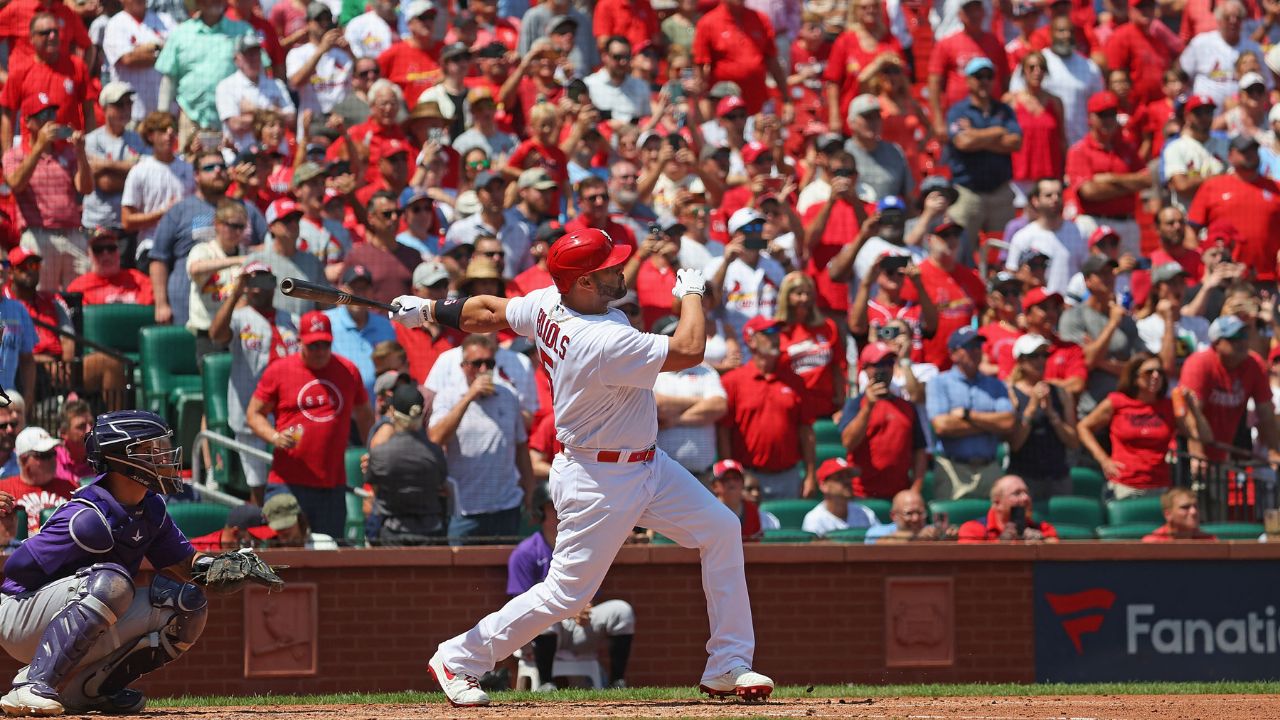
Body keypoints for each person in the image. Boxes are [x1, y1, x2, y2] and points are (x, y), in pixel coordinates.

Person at [389, 227, 774, 705]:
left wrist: (429, 310)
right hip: (599, 478)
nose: (621, 270)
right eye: (610, 268)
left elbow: (489, 310)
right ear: (584, 283)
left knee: (720, 528)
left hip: (646, 464)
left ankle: (727, 663)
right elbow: (691, 348)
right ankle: (459, 657)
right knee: (565, 596)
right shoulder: (598, 338)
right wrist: (693, 293)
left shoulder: (553, 302)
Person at [0, 410, 282, 716]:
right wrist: (76, 583)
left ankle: (91, 690)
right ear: (126, 457)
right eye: (154, 450)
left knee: (187, 605)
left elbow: (188, 566)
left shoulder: (151, 508)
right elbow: (16, 570)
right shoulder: (86, 518)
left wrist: (222, 569)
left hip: (82, 605)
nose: (164, 457)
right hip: (18, 615)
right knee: (112, 582)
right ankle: (33, 684)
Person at [245, 311, 373, 538]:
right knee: (282, 551)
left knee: (329, 553)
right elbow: (254, 413)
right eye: (313, 345)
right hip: (287, 481)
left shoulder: (348, 370)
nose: (320, 351)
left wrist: (372, 449)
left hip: (331, 484)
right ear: (300, 341)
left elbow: (364, 413)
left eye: (325, 344)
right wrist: (274, 436)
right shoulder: (279, 370)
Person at [509, 484, 635, 691]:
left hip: (577, 628)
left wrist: (584, 607)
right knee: (543, 618)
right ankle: (546, 683)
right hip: (536, 634)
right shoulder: (525, 553)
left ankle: (617, 683)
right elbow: (519, 607)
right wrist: (566, 613)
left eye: (567, 504)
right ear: (541, 511)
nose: (562, 510)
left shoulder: (582, 549)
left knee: (621, 611)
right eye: (554, 506)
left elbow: (589, 591)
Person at [427, 333, 533, 545]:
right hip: (465, 510)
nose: (484, 370)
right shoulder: (448, 397)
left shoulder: (509, 395)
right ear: (464, 366)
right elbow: (436, 437)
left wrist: (528, 492)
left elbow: (521, 447)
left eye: (489, 363)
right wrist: (468, 397)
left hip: (506, 507)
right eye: (477, 363)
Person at [209, 261, 299, 505]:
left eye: (263, 280)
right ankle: (263, 531)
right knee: (258, 485)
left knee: (292, 480)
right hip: (252, 411)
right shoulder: (239, 318)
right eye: (252, 281)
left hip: (288, 412)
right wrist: (235, 293)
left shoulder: (291, 320)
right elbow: (216, 335)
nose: (258, 287)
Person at [149, 150, 267, 328]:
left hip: (237, 308)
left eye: (222, 166)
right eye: (209, 167)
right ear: (196, 175)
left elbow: (269, 246)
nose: (218, 171)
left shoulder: (246, 208)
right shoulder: (180, 210)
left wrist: (249, 255)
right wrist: (161, 303)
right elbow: (159, 258)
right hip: (190, 307)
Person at [1078, 353, 1211, 499]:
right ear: (1135, 378)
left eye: (1160, 372)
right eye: (1149, 372)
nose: (1155, 376)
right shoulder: (1117, 402)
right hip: (1124, 486)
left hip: (1159, 486)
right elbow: (1083, 427)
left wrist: (1194, 408)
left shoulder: (1169, 406)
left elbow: (1204, 437)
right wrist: (1104, 460)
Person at [2, 93, 93, 293]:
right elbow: (16, 184)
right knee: (41, 296)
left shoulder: (67, 153)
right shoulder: (14, 155)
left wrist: (81, 154)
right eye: (42, 115)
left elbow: (86, 188)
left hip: (73, 235)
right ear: (27, 121)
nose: (49, 120)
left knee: (80, 298)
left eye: (52, 113)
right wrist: (39, 147)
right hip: (39, 235)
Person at [718, 316, 817, 500]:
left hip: (789, 476)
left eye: (777, 333)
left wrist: (810, 475)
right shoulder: (733, 381)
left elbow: (806, 431)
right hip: (748, 477)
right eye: (768, 333)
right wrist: (732, 476)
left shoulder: (796, 382)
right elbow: (724, 432)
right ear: (751, 340)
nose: (775, 337)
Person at [926, 326, 1015, 500]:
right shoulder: (938, 383)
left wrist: (968, 415)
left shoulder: (996, 385)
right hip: (953, 469)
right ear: (953, 354)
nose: (975, 351)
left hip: (989, 468)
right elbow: (942, 426)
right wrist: (989, 425)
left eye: (977, 347)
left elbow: (1008, 423)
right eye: (968, 347)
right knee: (952, 525)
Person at [1180, 315, 1280, 466]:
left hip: (1222, 449)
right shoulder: (1200, 364)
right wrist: (1197, 454)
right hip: (1185, 450)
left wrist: (1274, 451)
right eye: (1234, 337)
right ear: (1217, 343)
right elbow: (1190, 414)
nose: (1242, 342)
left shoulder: (1254, 365)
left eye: (1245, 335)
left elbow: (1265, 412)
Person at [942, 57, 1021, 244]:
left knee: (1002, 251)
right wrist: (997, 132)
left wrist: (976, 135)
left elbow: (1015, 143)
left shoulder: (1004, 110)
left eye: (989, 76)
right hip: (968, 193)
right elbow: (963, 143)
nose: (984, 81)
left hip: (1000, 192)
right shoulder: (958, 111)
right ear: (968, 80)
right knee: (960, 249)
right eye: (978, 76)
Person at [154, 0, 252, 145]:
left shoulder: (243, 31)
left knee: (235, 167)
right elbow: (169, 81)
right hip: (190, 120)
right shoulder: (180, 33)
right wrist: (163, 121)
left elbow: (257, 74)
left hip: (234, 122)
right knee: (188, 166)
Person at [1187, 135, 1280, 286]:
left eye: (1254, 150)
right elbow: (1191, 230)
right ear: (1230, 155)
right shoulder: (1213, 186)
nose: (1250, 155)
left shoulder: (1276, 188)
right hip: (1223, 277)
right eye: (1244, 151)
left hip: (1267, 278)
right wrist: (1202, 259)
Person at [840, 341, 928, 499]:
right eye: (878, 364)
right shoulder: (855, 404)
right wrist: (868, 407)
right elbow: (848, 443)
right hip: (862, 494)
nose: (885, 369)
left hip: (899, 495)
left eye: (889, 363)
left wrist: (915, 488)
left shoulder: (906, 406)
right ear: (865, 368)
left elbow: (919, 451)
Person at [1058, 254, 1142, 415]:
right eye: (1101, 273)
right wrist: (1112, 325)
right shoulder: (1073, 317)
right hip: (1088, 410)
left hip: (1124, 409)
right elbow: (1085, 363)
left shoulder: (1126, 320)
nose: (1108, 278)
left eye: (1110, 272)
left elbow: (1137, 369)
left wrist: (1101, 361)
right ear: (1087, 281)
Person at [368, 384, 448, 545]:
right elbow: (441, 484)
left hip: (392, 535)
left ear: (393, 412)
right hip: (430, 534)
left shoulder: (380, 454)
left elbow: (375, 488)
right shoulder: (435, 453)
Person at [651, 316, 727, 479]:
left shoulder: (705, 370)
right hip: (661, 477)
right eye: (673, 335)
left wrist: (676, 420)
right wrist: (701, 402)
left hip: (703, 475)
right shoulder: (650, 371)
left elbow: (718, 406)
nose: (680, 341)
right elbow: (658, 406)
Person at [1006, 335, 1079, 499]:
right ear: (1020, 361)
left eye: (1044, 355)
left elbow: (1073, 441)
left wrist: (1053, 416)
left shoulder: (1061, 393)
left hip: (1058, 477)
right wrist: (1032, 407)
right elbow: (1015, 444)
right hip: (1026, 479)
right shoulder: (1010, 393)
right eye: (1033, 356)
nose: (1040, 361)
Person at [120, 112, 194, 267]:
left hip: (186, 246)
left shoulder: (189, 170)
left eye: (172, 129)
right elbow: (127, 221)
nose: (169, 134)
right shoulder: (139, 171)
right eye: (162, 130)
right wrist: (163, 214)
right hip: (150, 246)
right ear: (150, 136)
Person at [185, 201, 250, 361]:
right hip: (207, 333)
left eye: (241, 227)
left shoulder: (246, 253)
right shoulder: (203, 250)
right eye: (233, 226)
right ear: (218, 224)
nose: (237, 232)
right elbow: (195, 269)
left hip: (238, 332)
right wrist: (236, 260)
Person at [774, 272, 844, 418]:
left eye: (808, 294)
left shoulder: (828, 327)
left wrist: (841, 402)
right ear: (787, 296)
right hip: (793, 408)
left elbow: (838, 366)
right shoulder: (777, 331)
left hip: (825, 407)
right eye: (799, 293)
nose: (804, 298)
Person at [326, 265, 397, 402]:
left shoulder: (386, 326)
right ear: (342, 290)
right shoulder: (328, 322)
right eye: (354, 288)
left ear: (371, 292)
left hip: (376, 408)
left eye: (364, 288)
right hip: (338, 406)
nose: (359, 294)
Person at [1004, 178, 1085, 295]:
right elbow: (1012, 274)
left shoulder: (1079, 232)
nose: (1055, 199)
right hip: (1038, 307)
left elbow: (1086, 272)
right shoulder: (1022, 237)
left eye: (1058, 194)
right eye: (1048, 195)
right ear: (1035, 200)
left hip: (1070, 306)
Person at [102, 0, 174, 124]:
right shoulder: (115, 24)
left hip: (164, 115)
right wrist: (161, 49)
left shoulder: (166, 21)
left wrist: (145, 50)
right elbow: (128, 59)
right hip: (132, 114)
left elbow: (177, 54)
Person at [0, 426, 77, 539]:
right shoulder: (3, 489)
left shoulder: (71, 487)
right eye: (44, 455)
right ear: (23, 459)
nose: (52, 459)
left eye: (53, 453)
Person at [957, 474, 1059, 542]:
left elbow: (1057, 551)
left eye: (1026, 492)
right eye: (1017, 493)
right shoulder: (973, 530)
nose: (1026, 498)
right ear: (997, 502)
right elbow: (971, 564)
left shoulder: (1043, 529)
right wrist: (1001, 544)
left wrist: (1042, 543)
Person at [67, 229, 154, 306]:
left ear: (118, 252)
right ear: (89, 255)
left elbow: (153, 299)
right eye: (98, 249)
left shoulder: (135, 278)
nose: (106, 254)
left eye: (111, 248)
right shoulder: (78, 286)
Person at [800, 458, 880, 537]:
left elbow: (880, 543)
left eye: (848, 476)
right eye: (840, 477)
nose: (847, 481)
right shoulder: (814, 519)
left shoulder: (865, 513)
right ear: (823, 485)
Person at [708, 459, 778, 540]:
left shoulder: (752, 510)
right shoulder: (708, 512)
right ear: (714, 486)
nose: (732, 482)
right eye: (726, 479)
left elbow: (756, 545)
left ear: (743, 482)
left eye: (736, 478)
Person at [865, 489, 956, 543]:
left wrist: (949, 536)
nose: (915, 518)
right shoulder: (878, 531)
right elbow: (881, 545)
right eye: (909, 513)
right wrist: (917, 537)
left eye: (920, 513)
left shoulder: (932, 531)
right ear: (893, 515)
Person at [261, 491, 339, 549]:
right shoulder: (266, 553)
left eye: (287, 524)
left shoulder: (324, 545)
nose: (283, 530)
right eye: (278, 527)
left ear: (300, 520)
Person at [1143, 487, 1216, 541]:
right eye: (1185, 507)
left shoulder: (1208, 540)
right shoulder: (1153, 542)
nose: (1194, 511)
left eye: (1195, 506)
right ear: (1168, 514)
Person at [54, 400, 93, 482]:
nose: (90, 430)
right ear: (63, 432)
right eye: (81, 426)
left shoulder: (101, 461)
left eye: (91, 423)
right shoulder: (52, 461)